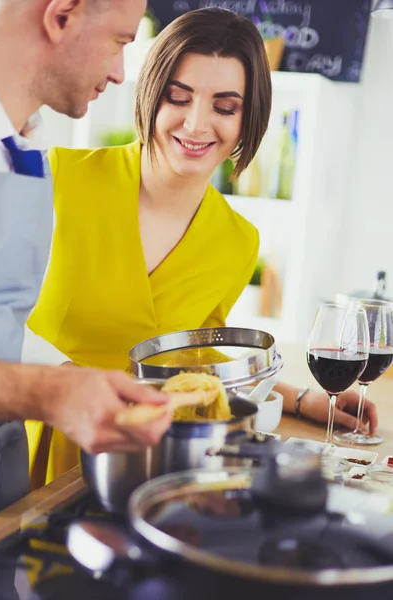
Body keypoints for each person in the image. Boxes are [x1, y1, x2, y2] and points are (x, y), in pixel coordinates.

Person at [26, 7, 378, 485]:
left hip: (146, 464)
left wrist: (301, 399)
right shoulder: (57, 179)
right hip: (37, 445)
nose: (196, 125)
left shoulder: (237, 239)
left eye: (225, 106)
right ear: (151, 93)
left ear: (247, 117)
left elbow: (197, 361)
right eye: (178, 97)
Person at [0, 0, 172, 558]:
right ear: (61, 17)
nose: (121, 73)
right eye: (121, 42)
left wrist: (79, 380)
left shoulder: (23, 150)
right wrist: (49, 392)